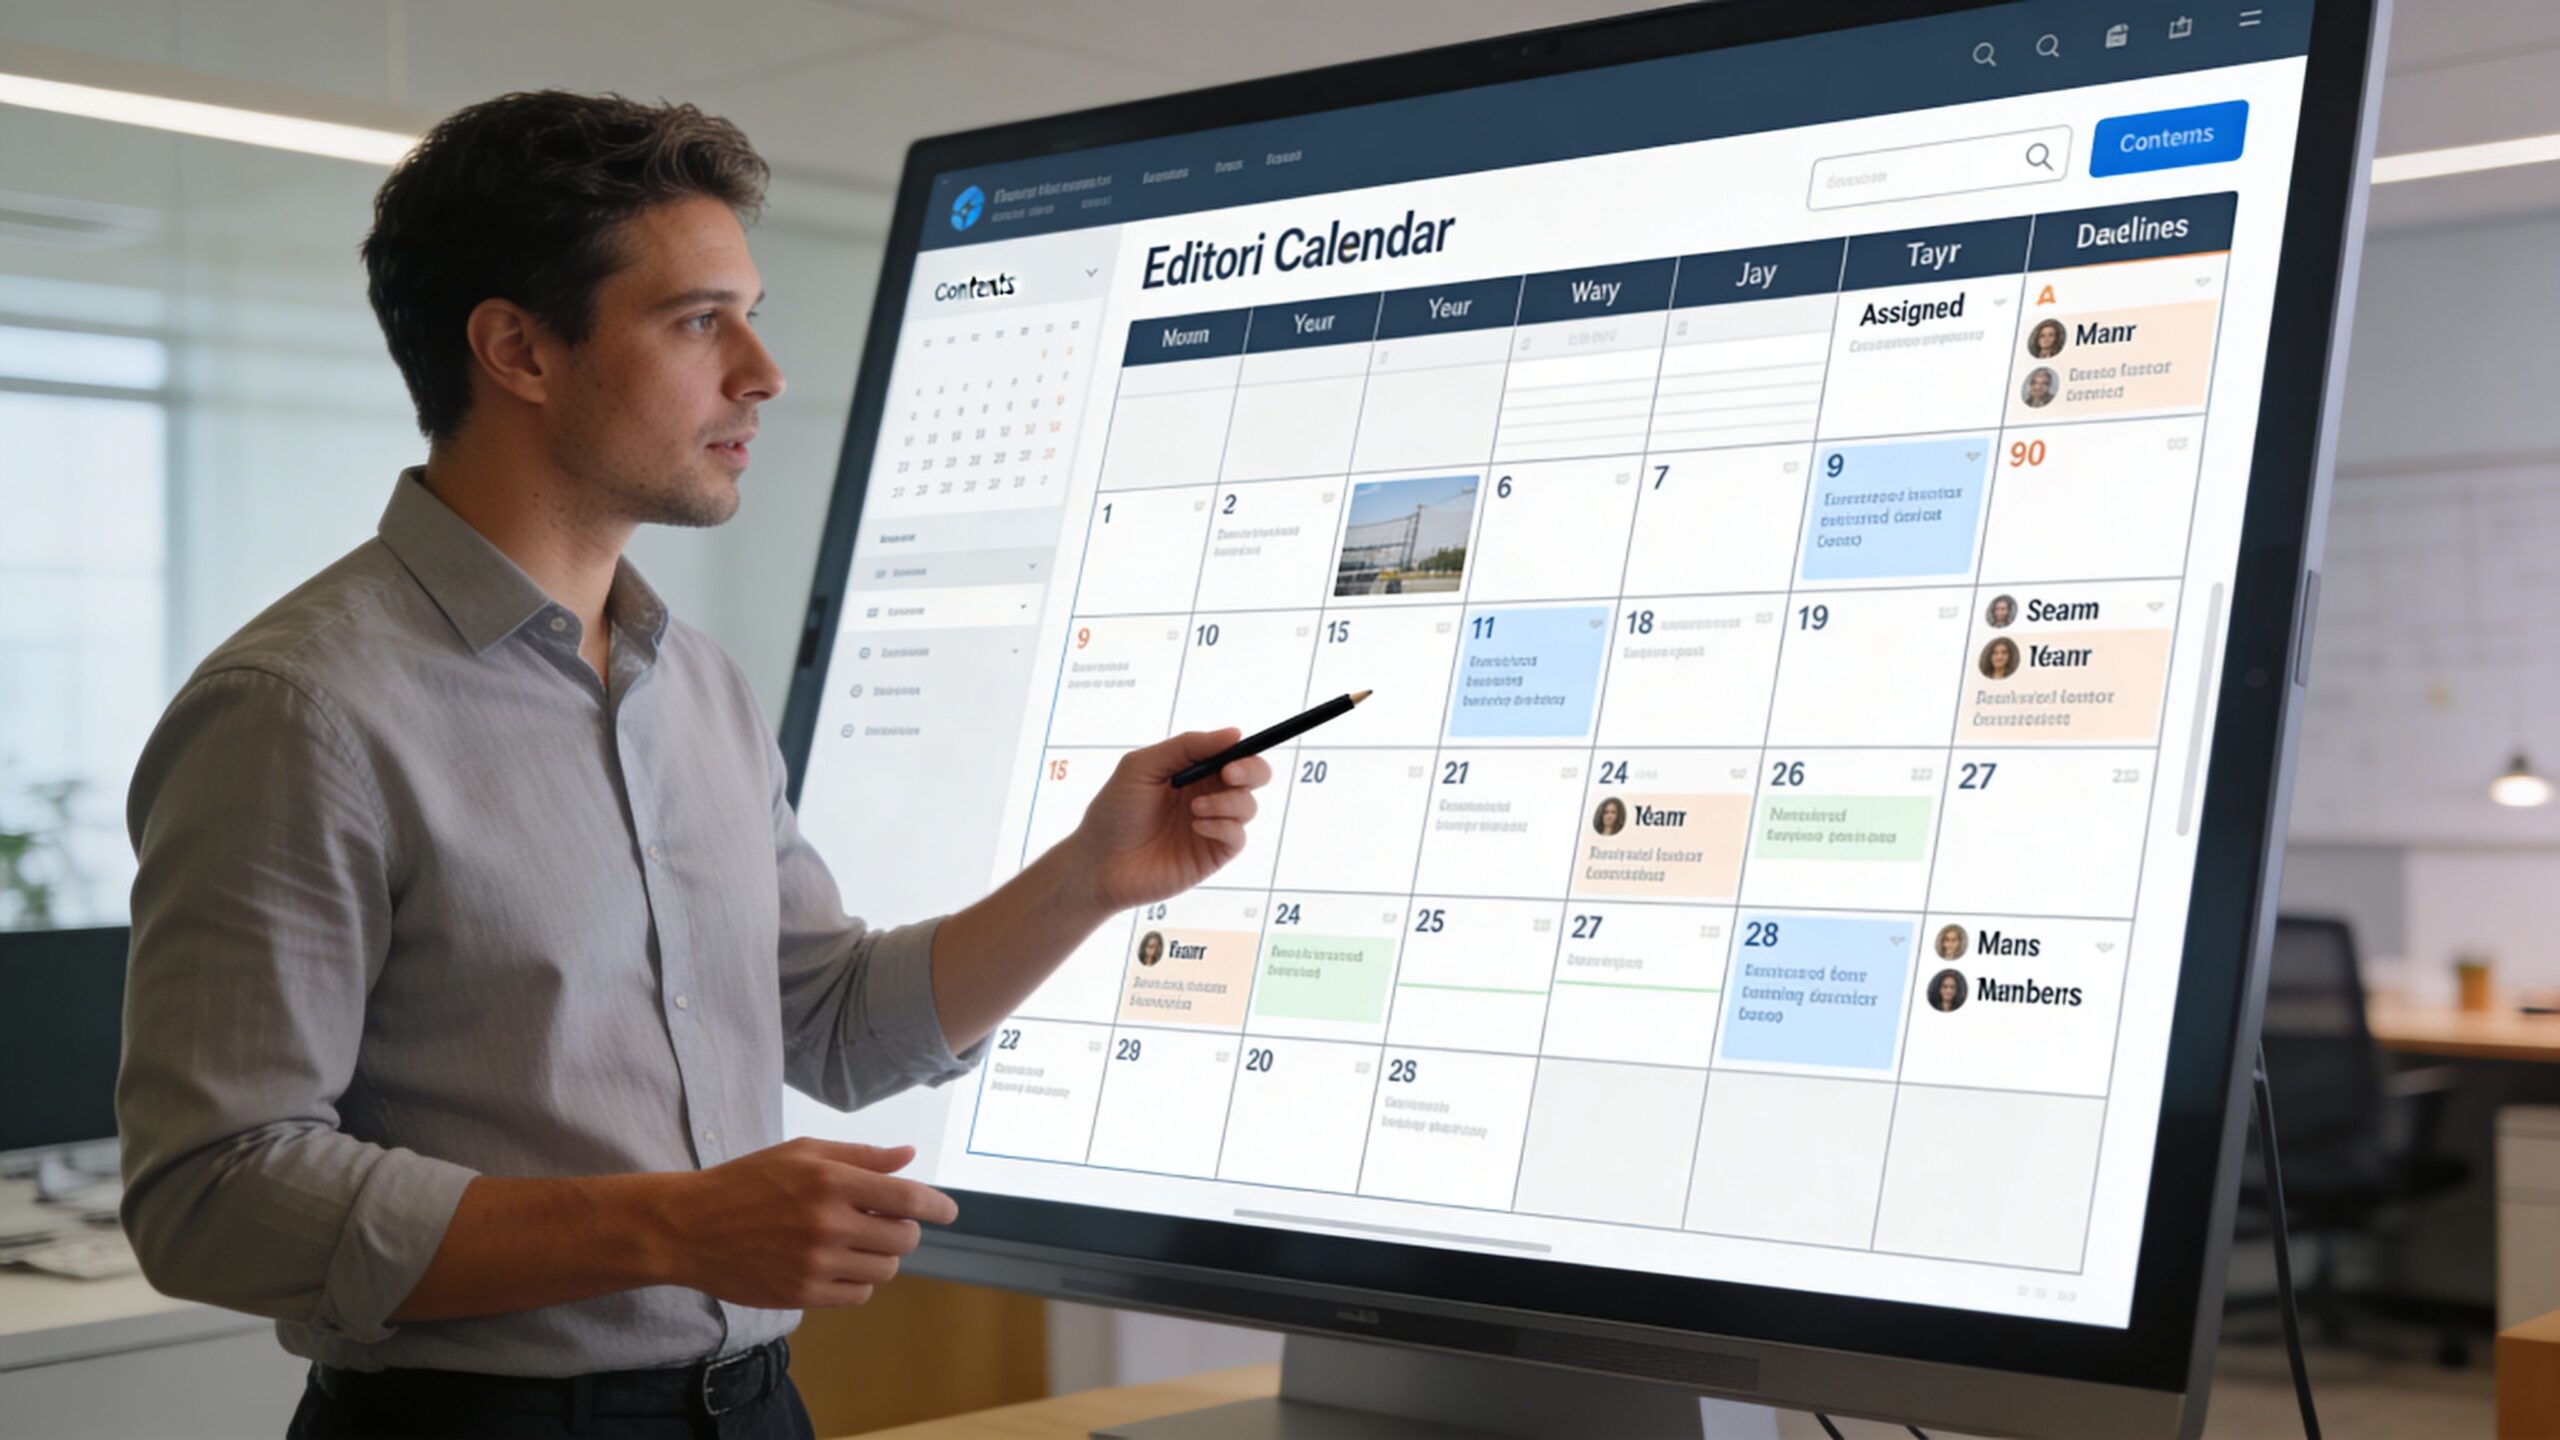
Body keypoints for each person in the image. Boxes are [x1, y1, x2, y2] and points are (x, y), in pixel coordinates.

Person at [114, 92, 1274, 1440]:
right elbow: (212, 1194)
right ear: (517, 351)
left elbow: (830, 1021)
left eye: (752, 311)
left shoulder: (700, 684)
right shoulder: (299, 708)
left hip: (755, 1410)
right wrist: (673, 1225)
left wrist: (1089, 879)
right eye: (697, 320)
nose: (763, 372)